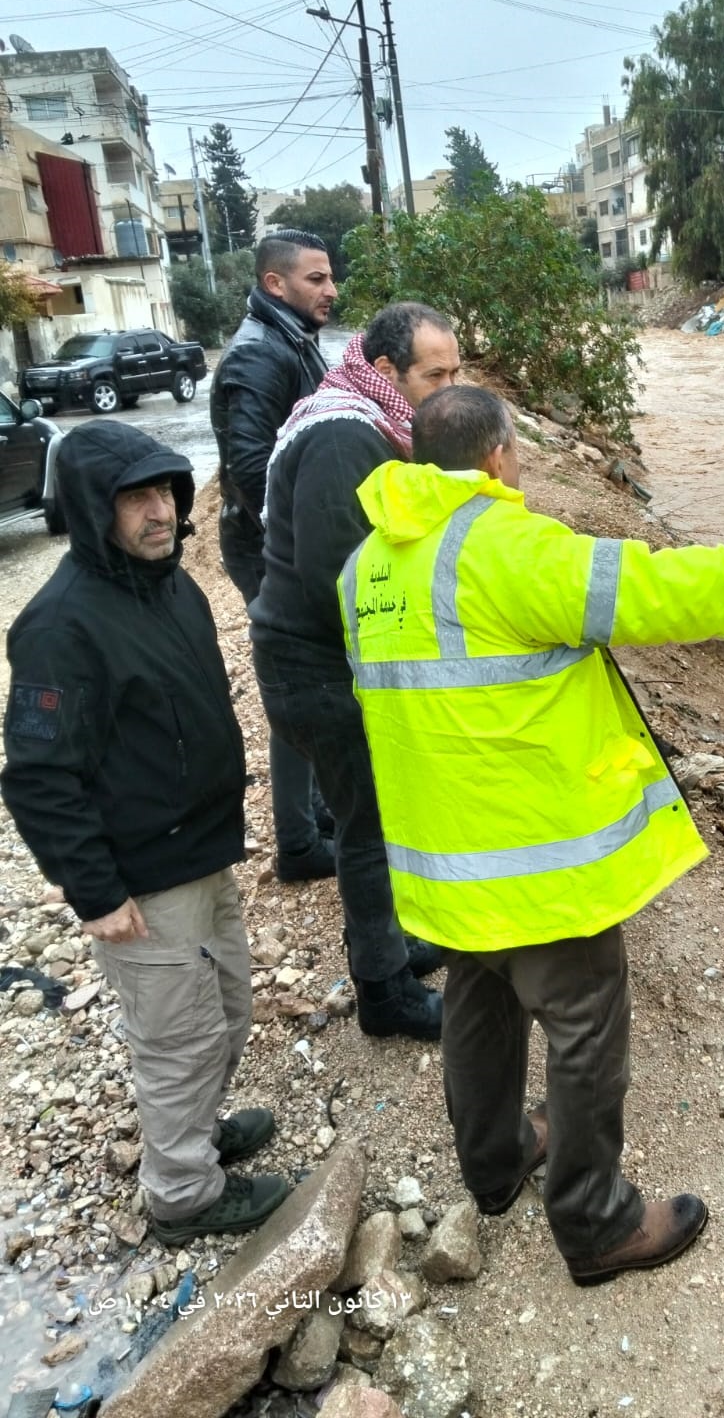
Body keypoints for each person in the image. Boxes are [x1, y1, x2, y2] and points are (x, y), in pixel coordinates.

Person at [338, 385, 724, 1286]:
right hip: (539, 863)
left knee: (480, 1012)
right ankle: (597, 1223)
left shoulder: (367, 567)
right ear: (501, 454)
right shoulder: (507, 549)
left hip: (446, 860)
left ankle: (499, 1163)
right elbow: (660, 592)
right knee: (584, 1033)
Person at [1, 423, 289, 1246]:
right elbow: (39, 777)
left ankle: (193, 1134)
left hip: (201, 854)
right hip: (141, 878)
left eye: (164, 491)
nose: (159, 512)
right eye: (135, 497)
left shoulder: (170, 586)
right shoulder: (60, 626)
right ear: (94, 508)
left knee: (229, 1012)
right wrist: (96, 893)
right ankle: (182, 1194)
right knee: (177, 1039)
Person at [250, 302, 462, 1040]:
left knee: (373, 818)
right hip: (316, 666)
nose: (447, 387)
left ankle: (394, 943)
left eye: (456, 371)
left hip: (321, 659)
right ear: (385, 371)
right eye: (434, 373)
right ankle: (384, 992)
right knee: (369, 826)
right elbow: (333, 578)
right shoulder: (346, 435)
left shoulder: (367, 420)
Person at [210, 228, 336, 884]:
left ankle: (316, 811)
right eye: (316, 278)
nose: (331, 289)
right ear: (275, 284)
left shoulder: (288, 340)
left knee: (308, 674)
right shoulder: (260, 354)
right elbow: (253, 465)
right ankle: (298, 841)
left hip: (279, 541)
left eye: (330, 276)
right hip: (270, 547)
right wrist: (300, 551)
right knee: (299, 679)